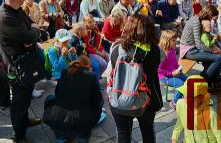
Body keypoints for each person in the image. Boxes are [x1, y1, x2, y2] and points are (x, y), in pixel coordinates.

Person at [0, 0, 42, 143]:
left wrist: (32, 32)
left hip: (26, 61)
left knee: (26, 96)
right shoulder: (5, 17)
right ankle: (19, 136)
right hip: (17, 67)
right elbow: (29, 35)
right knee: (19, 102)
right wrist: (34, 32)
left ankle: (25, 121)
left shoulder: (16, 10)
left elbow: (31, 27)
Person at [109, 14, 163, 143]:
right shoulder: (154, 50)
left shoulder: (116, 48)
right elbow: (152, 77)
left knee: (123, 134)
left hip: (119, 97)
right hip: (145, 98)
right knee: (147, 132)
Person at [43, 55, 103, 143]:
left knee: (49, 98)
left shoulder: (64, 72)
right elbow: (98, 100)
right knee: (100, 103)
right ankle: (83, 137)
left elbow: (57, 93)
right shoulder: (91, 76)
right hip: (82, 119)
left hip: (60, 116)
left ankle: (60, 137)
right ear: (88, 66)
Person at [171, 75, 221, 143]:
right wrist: (174, 138)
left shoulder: (210, 114)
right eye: (185, 93)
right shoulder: (180, 104)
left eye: (190, 95)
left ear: (201, 97)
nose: (185, 98)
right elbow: (179, 123)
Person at [180, 6, 221, 85]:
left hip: (194, 48)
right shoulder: (196, 21)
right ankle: (203, 82)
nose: (211, 20)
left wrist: (216, 47)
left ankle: (209, 83)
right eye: (212, 18)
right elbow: (199, 44)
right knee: (219, 58)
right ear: (209, 15)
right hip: (188, 50)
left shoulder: (200, 20)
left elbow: (207, 36)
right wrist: (213, 50)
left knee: (215, 58)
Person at [158, 30, 187, 110]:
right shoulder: (162, 53)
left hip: (174, 73)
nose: (176, 42)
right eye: (173, 41)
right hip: (164, 77)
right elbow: (159, 70)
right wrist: (171, 73)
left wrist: (178, 68)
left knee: (188, 80)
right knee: (180, 84)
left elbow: (174, 62)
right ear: (166, 41)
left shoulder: (172, 49)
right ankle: (174, 102)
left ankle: (183, 97)